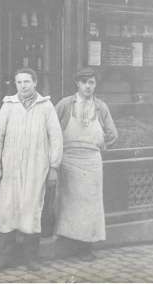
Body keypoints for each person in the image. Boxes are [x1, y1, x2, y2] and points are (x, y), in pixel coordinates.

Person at [0, 68, 63, 271]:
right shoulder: (9, 105)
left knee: (31, 209)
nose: (23, 86)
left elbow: (56, 138)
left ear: (35, 83)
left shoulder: (46, 106)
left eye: (27, 82)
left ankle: (31, 258)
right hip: (11, 166)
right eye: (19, 82)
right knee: (7, 208)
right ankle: (3, 258)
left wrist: (54, 166)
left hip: (36, 165)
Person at [55, 67, 118, 261]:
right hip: (69, 159)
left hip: (91, 160)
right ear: (77, 84)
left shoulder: (101, 107)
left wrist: (102, 143)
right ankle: (69, 245)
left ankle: (86, 247)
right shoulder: (65, 104)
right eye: (84, 82)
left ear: (95, 85)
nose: (88, 87)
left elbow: (113, 134)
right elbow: (51, 129)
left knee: (90, 204)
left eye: (91, 83)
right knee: (69, 202)